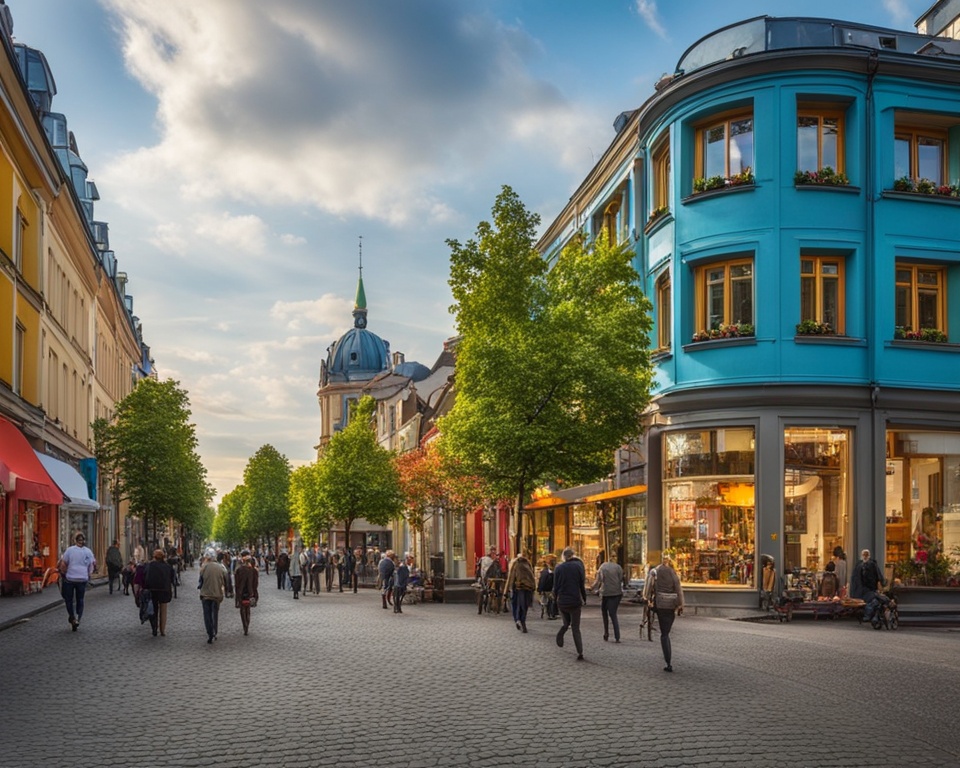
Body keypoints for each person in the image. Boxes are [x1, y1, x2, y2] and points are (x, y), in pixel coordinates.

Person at [648, 554, 684, 672]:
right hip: (671, 605)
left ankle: (668, 661)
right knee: (666, 631)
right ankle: (668, 660)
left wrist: (648, 599)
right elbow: (678, 589)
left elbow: (649, 586)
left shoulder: (655, 572)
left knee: (664, 634)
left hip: (661, 603)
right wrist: (680, 604)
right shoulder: (672, 573)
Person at [57, 533, 97, 631]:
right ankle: (78, 618)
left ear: (75, 540)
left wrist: (63, 573)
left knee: (69, 599)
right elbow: (92, 565)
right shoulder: (88, 552)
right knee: (80, 599)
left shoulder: (70, 550)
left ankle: (72, 617)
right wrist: (88, 575)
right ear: (83, 540)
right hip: (82, 578)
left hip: (70, 578)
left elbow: (63, 563)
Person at [553, 547, 587, 660]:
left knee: (566, 623)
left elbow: (556, 587)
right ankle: (580, 652)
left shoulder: (558, 568)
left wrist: (555, 599)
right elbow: (581, 585)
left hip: (562, 601)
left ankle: (562, 630)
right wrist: (584, 598)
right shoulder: (578, 567)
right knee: (575, 627)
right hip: (575, 601)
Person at [591, 555, 624, 642]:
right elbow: (621, 579)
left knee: (604, 613)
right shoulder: (618, 567)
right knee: (613, 614)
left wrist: (592, 587)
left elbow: (598, 580)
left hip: (606, 593)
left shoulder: (602, 567)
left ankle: (606, 633)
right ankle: (617, 636)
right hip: (617, 593)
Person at [143, 548, 175, 637]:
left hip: (153, 590)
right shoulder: (167, 566)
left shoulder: (150, 565)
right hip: (164, 590)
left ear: (154, 557)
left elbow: (145, 576)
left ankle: (154, 628)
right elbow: (172, 578)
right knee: (163, 610)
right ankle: (162, 630)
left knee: (154, 609)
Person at [504, 551, 536, 633]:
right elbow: (532, 576)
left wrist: (506, 590)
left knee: (516, 605)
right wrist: (533, 587)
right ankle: (522, 621)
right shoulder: (528, 564)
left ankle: (518, 620)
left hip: (518, 588)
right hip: (527, 588)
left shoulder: (516, 563)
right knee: (524, 606)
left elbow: (511, 576)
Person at [850, 548, 885, 622]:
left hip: (869, 588)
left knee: (870, 600)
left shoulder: (872, 564)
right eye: (864, 555)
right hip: (862, 589)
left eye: (866, 555)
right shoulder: (859, 565)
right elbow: (854, 578)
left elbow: (878, 575)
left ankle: (868, 614)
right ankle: (867, 614)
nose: (865, 556)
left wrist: (881, 583)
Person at [199, 553, 227, 644]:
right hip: (217, 594)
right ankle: (215, 631)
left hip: (206, 595)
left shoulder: (204, 567)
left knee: (207, 614)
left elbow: (200, 581)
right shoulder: (221, 567)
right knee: (215, 613)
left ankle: (209, 632)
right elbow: (226, 578)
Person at [234, 551, 260, 635]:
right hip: (250, 593)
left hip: (241, 593)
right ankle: (247, 625)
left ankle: (244, 625)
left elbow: (236, 584)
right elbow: (256, 584)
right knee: (248, 609)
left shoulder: (239, 570)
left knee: (242, 610)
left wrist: (237, 595)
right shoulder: (254, 571)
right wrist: (254, 593)